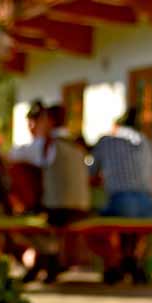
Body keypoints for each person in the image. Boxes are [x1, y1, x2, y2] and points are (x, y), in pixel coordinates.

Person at [89, 108, 152, 283]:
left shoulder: (107, 140)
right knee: (134, 225)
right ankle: (132, 260)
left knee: (94, 223)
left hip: (121, 200)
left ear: (117, 126)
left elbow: (90, 172)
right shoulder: (145, 141)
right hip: (147, 204)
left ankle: (113, 263)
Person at [27, 103, 91, 283]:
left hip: (59, 208)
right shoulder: (78, 144)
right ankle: (46, 263)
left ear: (48, 121)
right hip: (82, 206)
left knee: (27, 218)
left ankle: (49, 260)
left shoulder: (48, 144)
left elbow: (19, 158)